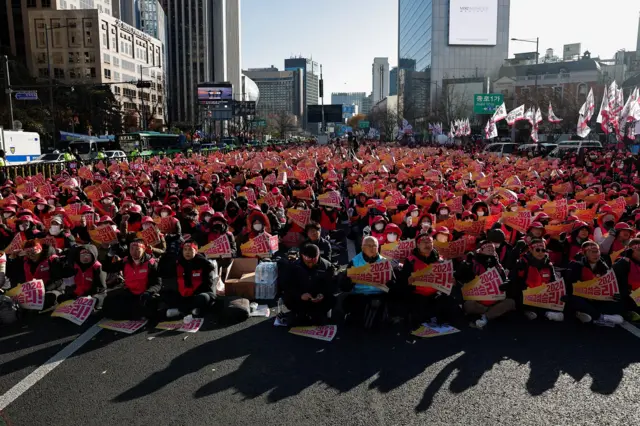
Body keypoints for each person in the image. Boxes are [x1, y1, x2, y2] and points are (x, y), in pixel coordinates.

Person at [397, 233, 460, 326]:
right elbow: (402, 283)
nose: (427, 245)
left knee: (449, 301)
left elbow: (447, 281)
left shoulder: (441, 261)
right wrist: (408, 282)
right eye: (423, 242)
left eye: (429, 242)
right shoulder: (410, 261)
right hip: (417, 295)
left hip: (436, 293)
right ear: (418, 245)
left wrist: (452, 282)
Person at [456, 240, 516, 329]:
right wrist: (466, 264)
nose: (491, 249)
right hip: (478, 301)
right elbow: (460, 277)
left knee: (511, 303)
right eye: (487, 247)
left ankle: (485, 316)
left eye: (492, 248)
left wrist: (506, 283)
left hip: (495, 300)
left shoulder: (498, 265)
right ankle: (491, 314)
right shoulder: (473, 263)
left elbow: (504, 279)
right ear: (480, 250)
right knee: (469, 305)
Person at [340, 236, 395, 328]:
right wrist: (351, 280)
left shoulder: (384, 262)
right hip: (360, 294)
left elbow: (393, 283)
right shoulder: (355, 262)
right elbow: (344, 286)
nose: (372, 248)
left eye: (375, 246)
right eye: (369, 245)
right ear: (362, 247)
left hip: (379, 294)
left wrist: (388, 282)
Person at [565, 240, 624, 325]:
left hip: (598, 298)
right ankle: (600, 317)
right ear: (585, 253)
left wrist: (614, 294)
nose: (595, 254)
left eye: (597, 252)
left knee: (618, 301)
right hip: (582, 297)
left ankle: (590, 315)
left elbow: (610, 285)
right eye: (592, 252)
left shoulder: (604, 266)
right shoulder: (576, 265)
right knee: (574, 300)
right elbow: (570, 287)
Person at [102, 238, 161, 320]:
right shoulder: (125, 261)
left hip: (144, 294)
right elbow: (107, 268)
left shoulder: (151, 263)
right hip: (130, 292)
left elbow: (157, 284)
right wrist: (109, 253)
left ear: (143, 249)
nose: (134, 252)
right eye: (132, 249)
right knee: (109, 302)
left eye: (137, 249)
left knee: (149, 310)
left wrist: (148, 292)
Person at [509, 238, 565, 322]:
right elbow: (515, 281)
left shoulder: (549, 265)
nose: (540, 253)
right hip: (526, 294)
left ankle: (542, 312)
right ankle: (542, 313)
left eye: (543, 250)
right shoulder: (523, 263)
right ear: (531, 250)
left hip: (543, 295)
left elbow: (553, 281)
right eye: (537, 250)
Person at [161, 239, 217, 318]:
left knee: (204, 298)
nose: (187, 252)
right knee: (165, 295)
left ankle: (181, 310)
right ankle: (191, 310)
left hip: (199, 293)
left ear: (196, 251)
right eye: (185, 250)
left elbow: (208, 284)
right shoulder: (178, 263)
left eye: (190, 250)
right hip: (185, 294)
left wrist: (192, 293)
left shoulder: (204, 264)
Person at [283, 244, 337, 325]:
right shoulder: (294, 267)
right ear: (302, 257)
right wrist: (300, 295)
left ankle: (318, 314)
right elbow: (287, 285)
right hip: (301, 298)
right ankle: (299, 313)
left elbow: (332, 286)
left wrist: (322, 294)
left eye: (313, 262)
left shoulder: (327, 266)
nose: (310, 265)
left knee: (321, 320)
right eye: (308, 262)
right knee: (295, 321)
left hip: (319, 299)